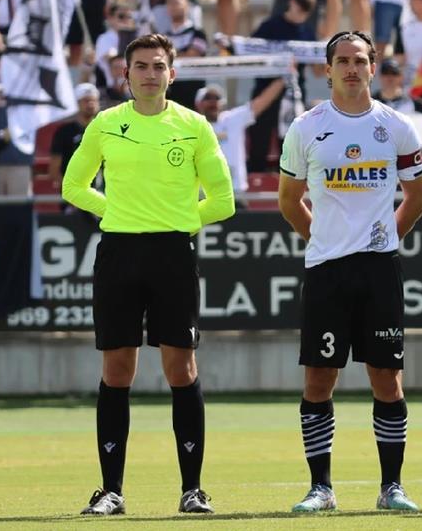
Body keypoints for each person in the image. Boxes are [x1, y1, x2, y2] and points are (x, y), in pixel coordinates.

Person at [61, 33, 235, 516]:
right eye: (141, 66)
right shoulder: (105, 124)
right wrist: (116, 210)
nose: (150, 74)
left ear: (172, 74)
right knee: (118, 371)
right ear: (127, 75)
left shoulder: (194, 126)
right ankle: (111, 491)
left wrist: (176, 218)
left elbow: (223, 201)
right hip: (118, 252)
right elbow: (73, 185)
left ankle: (192, 491)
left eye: (159, 66)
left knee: (181, 369)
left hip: (173, 254)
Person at [278, 30, 422, 514]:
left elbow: (417, 196)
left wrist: (386, 237)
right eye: (342, 60)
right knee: (319, 379)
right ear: (327, 69)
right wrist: (323, 239)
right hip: (327, 270)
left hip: (380, 270)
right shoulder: (306, 126)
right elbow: (289, 199)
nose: (351, 68)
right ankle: (321, 487)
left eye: (360, 60)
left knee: (387, 377)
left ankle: (392, 488)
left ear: (372, 65)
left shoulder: (397, 126)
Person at [245, 0, 317, 175]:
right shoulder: (271, 26)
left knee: (290, 143)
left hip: (293, 94)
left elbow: (317, 70)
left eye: (305, 11)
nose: (300, 14)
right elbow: (250, 52)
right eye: (298, 8)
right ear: (291, 3)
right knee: (259, 138)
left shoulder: (308, 33)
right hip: (265, 90)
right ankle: (255, 178)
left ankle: (289, 184)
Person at [195, 78, 286, 206]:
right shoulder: (191, 125)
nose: (213, 101)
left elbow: (260, 103)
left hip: (234, 193)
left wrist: (282, 79)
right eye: (207, 98)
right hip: (202, 195)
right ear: (198, 103)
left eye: (217, 98)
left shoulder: (232, 119)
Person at [159, 0, 207, 109]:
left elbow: (192, 56)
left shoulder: (198, 33)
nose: (173, 7)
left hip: (192, 91)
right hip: (169, 91)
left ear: (187, 6)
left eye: (177, 3)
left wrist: (168, 56)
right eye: (170, 4)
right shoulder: (162, 37)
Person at [48, 82, 101, 185]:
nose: (90, 104)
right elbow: (54, 170)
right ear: (76, 103)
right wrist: (72, 192)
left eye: (93, 100)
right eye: (86, 101)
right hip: (72, 197)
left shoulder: (104, 130)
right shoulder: (63, 132)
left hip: (100, 196)